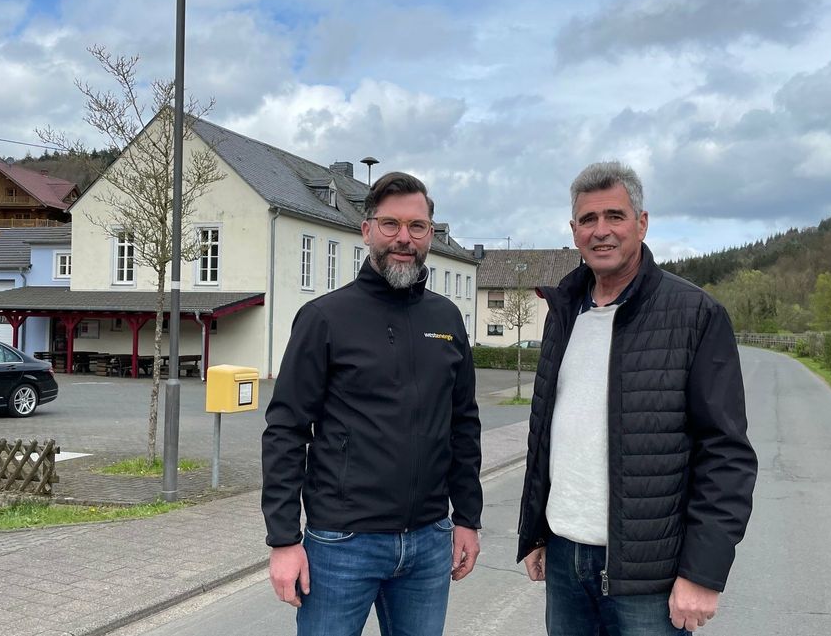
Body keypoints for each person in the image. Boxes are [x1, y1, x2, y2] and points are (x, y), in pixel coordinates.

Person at [517, 161, 757, 635]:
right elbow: (547, 432)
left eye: (615, 216)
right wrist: (538, 531)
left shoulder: (695, 314)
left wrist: (701, 573)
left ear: (642, 223)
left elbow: (725, 452)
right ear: (573, 231)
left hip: (651, 574)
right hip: (565, 559)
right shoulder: (563, 312)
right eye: (588, 220)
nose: (601, 231)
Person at [262, 171, 483, 636]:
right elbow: (286, 429)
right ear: (367, 230)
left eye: (417, 227)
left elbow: (463, 423)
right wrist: (283, 539)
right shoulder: (324, 318)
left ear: (429, 235)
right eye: (390, 224)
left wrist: (467, 518)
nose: (404, 238)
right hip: (343, 545)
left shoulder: (446, 319)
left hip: (429, 541)